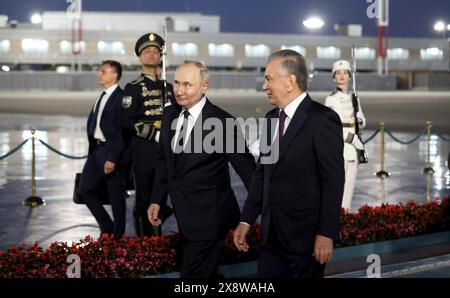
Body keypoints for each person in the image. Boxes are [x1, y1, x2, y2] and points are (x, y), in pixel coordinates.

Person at [233, 50, 345, 278]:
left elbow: (333, 180)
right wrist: (247, 219)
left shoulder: (322, 119)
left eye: (269, 79)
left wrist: (326, 233)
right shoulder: (271, 118)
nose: (264, 86)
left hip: (305, 241)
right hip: (271, 240)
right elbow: (262, 175)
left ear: (290, 81)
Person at [147, 60, 256, 278]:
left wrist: (250, 219)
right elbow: (164, 161)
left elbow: (250, 173)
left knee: (192, 277)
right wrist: (157, 198)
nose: (179, 90)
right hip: (185, 216)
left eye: (187, 85)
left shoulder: (223, 123)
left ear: (204, 87)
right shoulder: (170, 115)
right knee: (206, 274)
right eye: (176, 83)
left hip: (211, 219)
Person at [121, 33, 175, 237]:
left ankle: (157, 242)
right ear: (140, 57)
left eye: (156, 51)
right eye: (147, 51)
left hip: (168, 152)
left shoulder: (169, 88)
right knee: (144, 200)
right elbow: (126, 121)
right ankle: (145, 246)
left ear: (161, 57)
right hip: (145, 152)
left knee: (161, 199)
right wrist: (154, 134)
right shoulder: (133, 88)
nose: (152, 54)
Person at [79, 60, 127, 240]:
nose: (99, 74)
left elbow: (123, 132)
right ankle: (107, 226)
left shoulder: (121, 98)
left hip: (111, 152)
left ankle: (118, 235)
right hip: (96, 151)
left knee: (116, 197)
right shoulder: (102, 95)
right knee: (85, 190)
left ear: (114, 75)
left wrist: (113, 158)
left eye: (103, 71)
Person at [324, 60, 366, 211]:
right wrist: (353, 139)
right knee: (337, 190)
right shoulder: (331, 99)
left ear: (349, 76)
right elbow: (332, 127)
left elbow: (362, 122)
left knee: (348, 191)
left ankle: (345, 219)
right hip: (340, 149)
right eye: (338, 73)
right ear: (334, 77)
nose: (342, 76)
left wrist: (359, 119)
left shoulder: (355, 98)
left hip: (353, 151)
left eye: (345, 73)